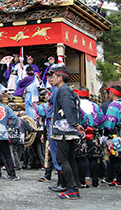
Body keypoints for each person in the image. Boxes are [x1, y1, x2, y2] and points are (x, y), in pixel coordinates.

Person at [50, 66, 84, 199]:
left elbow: (69, 108)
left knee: (61, 158)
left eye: (54, 76)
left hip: (65, 129)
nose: (51, 78)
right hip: (69, 128)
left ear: (60, 78)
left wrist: (75, 123)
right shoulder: (67, 90)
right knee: (69, 158)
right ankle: (74, 185)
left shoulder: (64, 90)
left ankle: (72, 188)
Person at [74, 87, 104, 188]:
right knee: (93, 157)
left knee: (80, 157)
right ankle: (95, 182)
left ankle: (82, 181)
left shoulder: (77, 105)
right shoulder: (96, 106)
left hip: (80, 133)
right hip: (93, 133)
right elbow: (102, 121)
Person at [102, 85, 121, 186]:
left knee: (115, 157)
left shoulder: (114, 105)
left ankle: (118, 179)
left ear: (112, 94)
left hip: (116, 135)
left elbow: (110, 122)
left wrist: (106, 134)